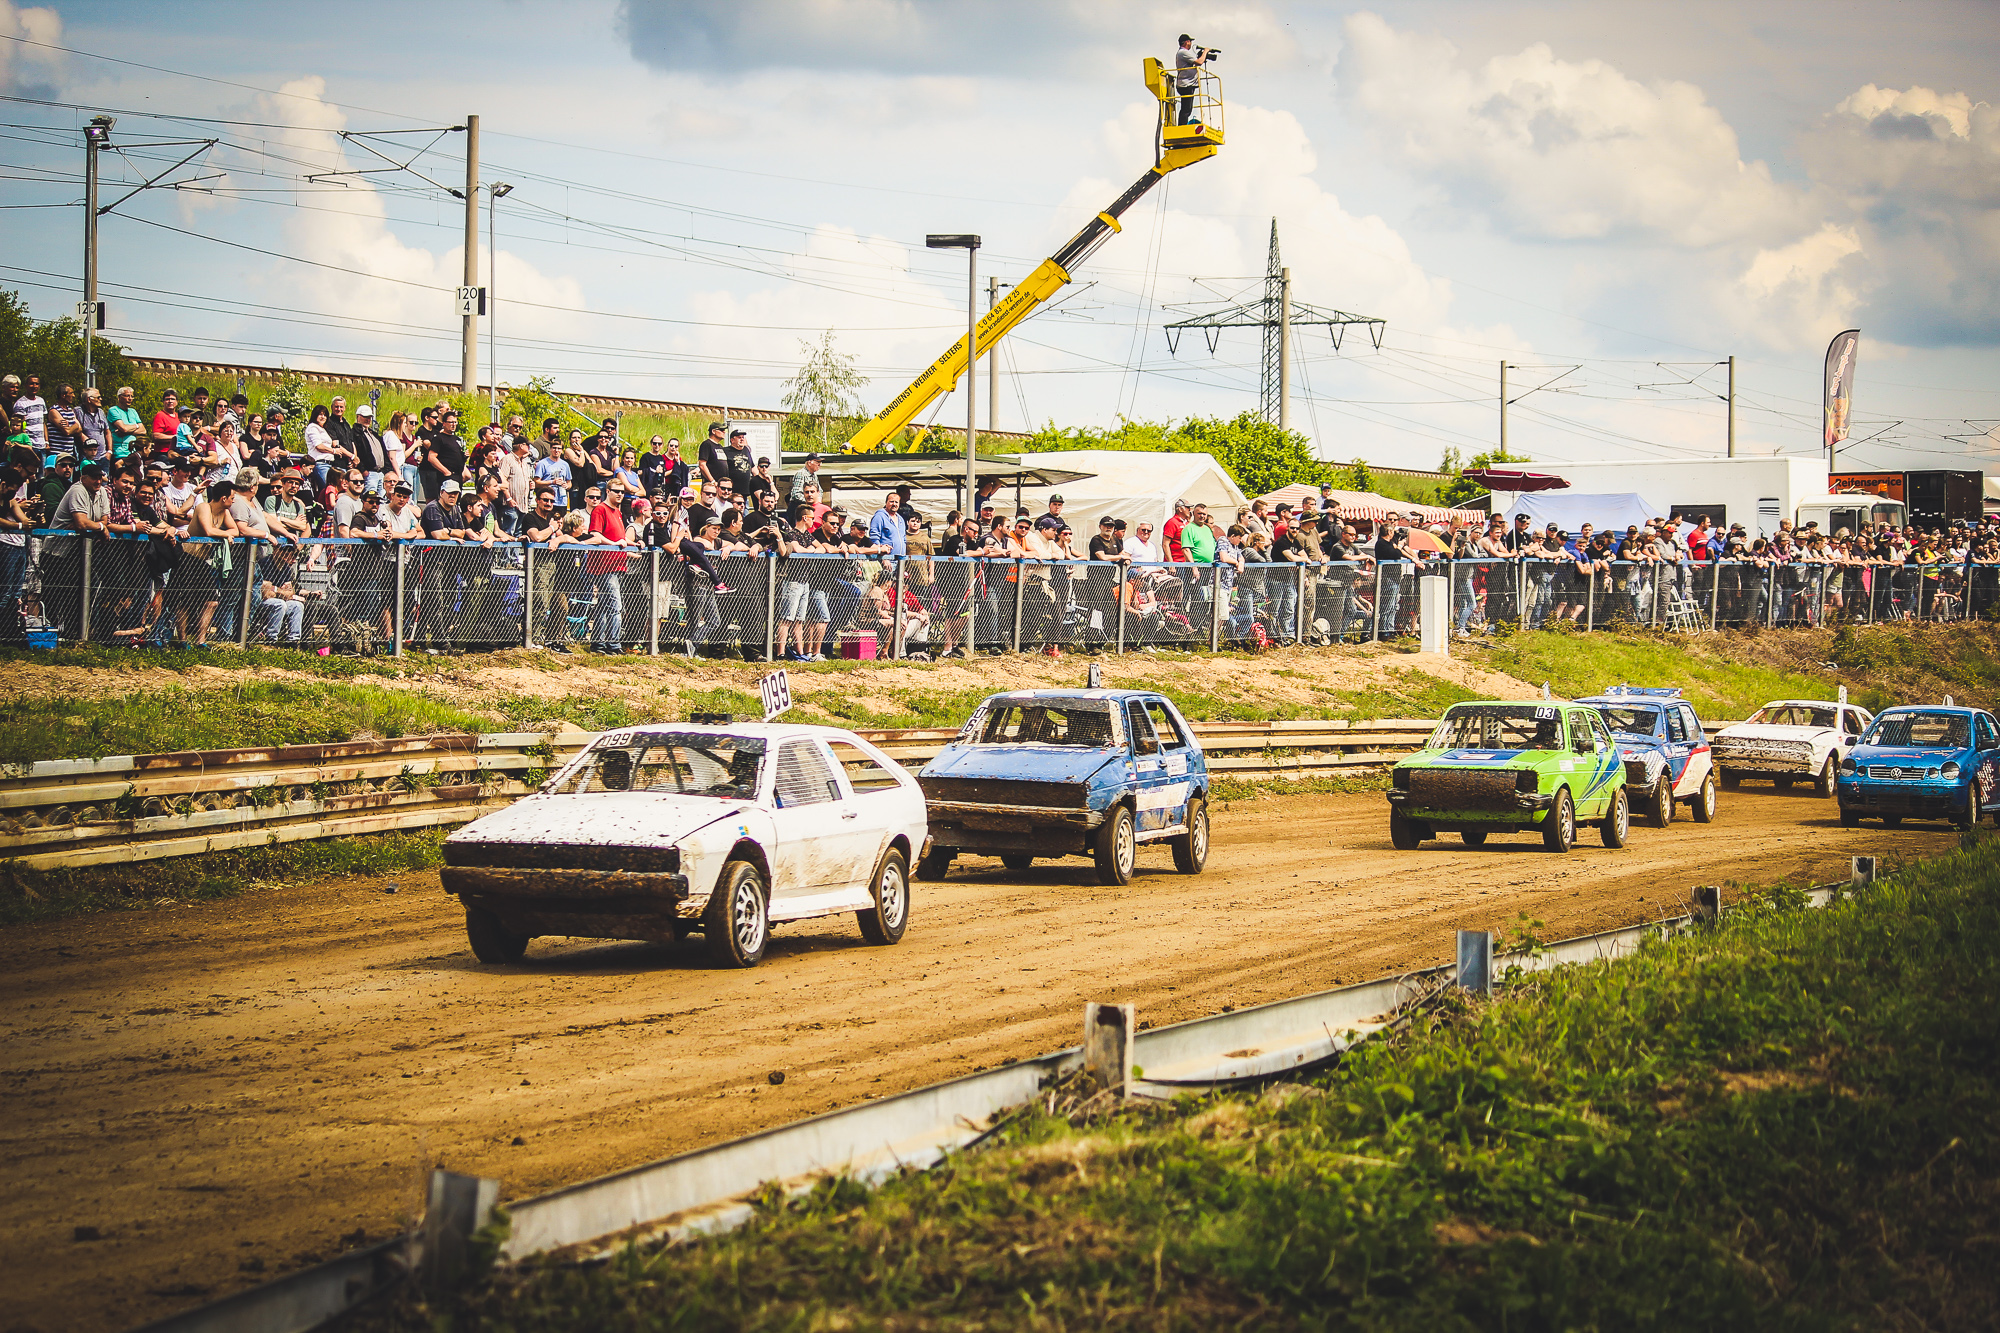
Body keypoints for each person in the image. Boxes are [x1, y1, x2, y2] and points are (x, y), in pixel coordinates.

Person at [1174, 34, 1209, 126]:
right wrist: (1205, 52)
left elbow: (1195, 64)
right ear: (1187, 42)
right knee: (1186, 109)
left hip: (1187, 84)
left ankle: (1182, 125)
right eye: (1190, 42)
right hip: (1186, 84)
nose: (1190, 44)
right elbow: (1199, 62)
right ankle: (1182, 126)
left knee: (1187, 108)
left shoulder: (1182, 53)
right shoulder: (1183, 52)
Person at [867, 490, 907, 557]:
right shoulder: (879, 516)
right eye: (891, 501)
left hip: (900, 559)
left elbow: (904, 539)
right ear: (886, 503)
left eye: (896, 502)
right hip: (886, 559)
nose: (894, 504)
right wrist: (882, 556)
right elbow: (874, 538)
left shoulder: (901, 519)